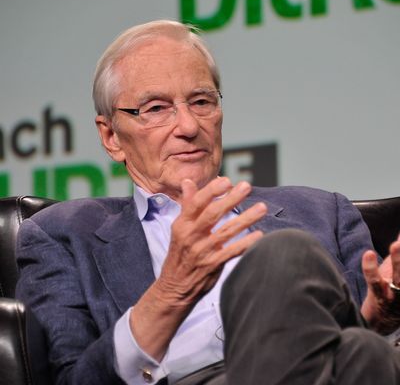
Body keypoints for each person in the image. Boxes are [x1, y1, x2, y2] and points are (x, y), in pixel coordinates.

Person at [16, 20, 400, 385]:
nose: (188, 126)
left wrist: (378, 318)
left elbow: (353, 345)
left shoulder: (322, 212)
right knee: (287, 257)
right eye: (155, 109)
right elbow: (71, 379)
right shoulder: (60, 235)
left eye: (201, 101)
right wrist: (171, 290)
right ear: (111, 137)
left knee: (365, 349)